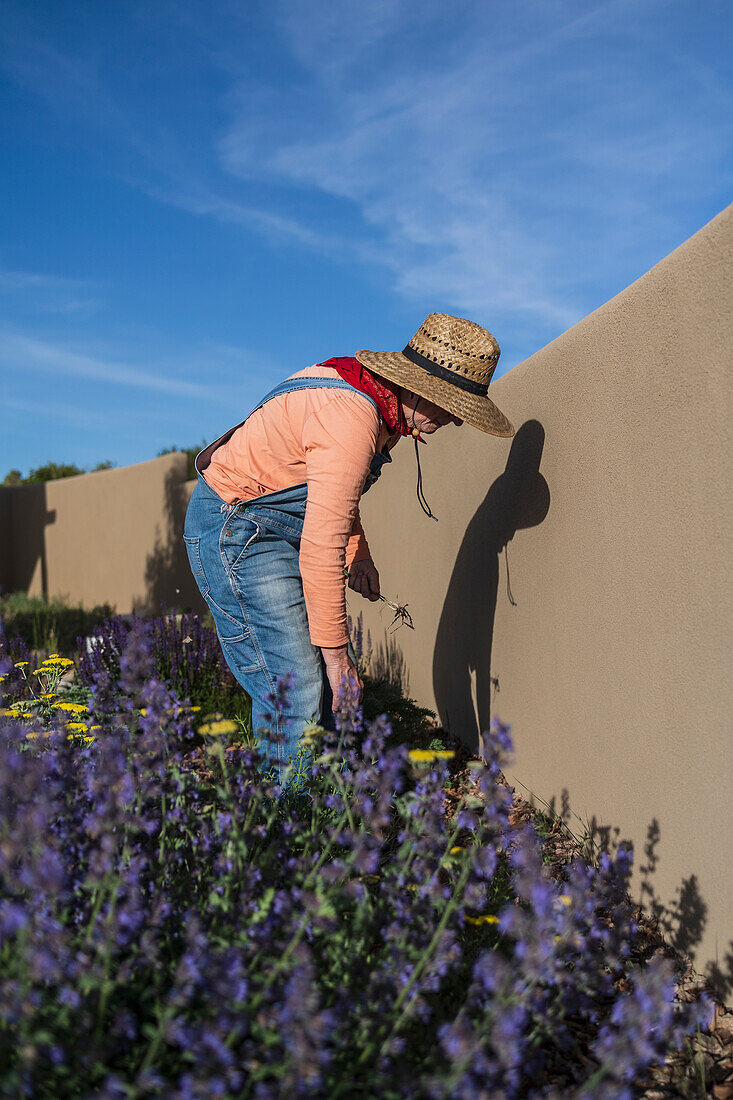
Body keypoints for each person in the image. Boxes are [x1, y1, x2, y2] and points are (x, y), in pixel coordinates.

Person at [183, 312, 514, 780]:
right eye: (449, 404)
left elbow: (331, 497)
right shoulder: (353, 418)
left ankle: (322, 804)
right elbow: (321, 544)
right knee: (295, 688)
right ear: (417, 387)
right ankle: (287, 831)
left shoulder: (370, 400)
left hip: (269, 527)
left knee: (319, 679)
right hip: (238, 530)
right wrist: (338, 660)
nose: (455, 420)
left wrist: (359, 555)